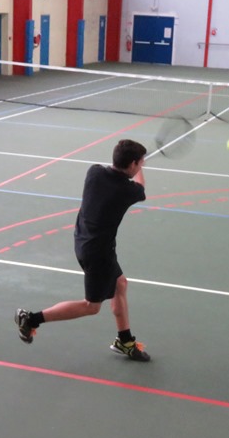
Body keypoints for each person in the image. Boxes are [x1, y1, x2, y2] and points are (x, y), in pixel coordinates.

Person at [15, 139, 151, 361]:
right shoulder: (126, 191)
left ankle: (125, 341)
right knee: (91, 306)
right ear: (133, 163)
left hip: (85, 241)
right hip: (98, 253)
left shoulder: (94, 172)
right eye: (140, 162)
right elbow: (140, 187)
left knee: (120, 284)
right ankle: (31, 319)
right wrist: (140, 168)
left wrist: (137, 162)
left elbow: (121, 173)